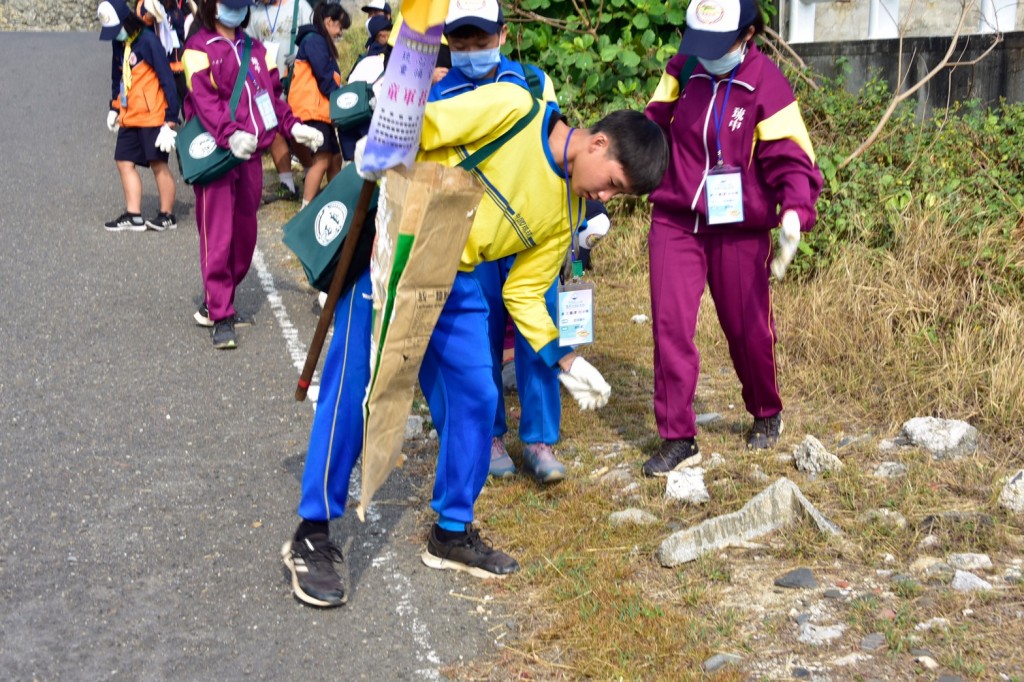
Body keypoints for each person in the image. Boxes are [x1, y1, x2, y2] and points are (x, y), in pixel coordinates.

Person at [280, 83, 669, 607]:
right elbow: (428, 125)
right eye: (612, 184)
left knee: (478, 399)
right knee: (355, 389)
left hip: (455, 277)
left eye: (617, 196)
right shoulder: (514, 110)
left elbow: (526, 291)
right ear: (597, 144)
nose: (605, 198)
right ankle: (313, 533)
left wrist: (563, 358)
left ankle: (451, 530)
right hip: (397, 244)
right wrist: (383, 148)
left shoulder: (566, 212)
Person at [640, 0, 822, 476]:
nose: (707, 55)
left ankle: (765, 410)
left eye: (718, 46)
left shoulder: (768, 84)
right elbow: (651, 126)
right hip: (677, 215)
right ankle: (678, 436)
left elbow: (791, 158)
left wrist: (795, 211)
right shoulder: (683, 67)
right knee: (669, 324)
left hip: (738, 226)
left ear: (748, 35)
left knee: (747, 327)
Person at [427, 0, 569, 483]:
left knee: (535, 325)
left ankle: (540, 438)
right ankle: (488, 434)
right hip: (474, 238)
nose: (471, 52)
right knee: (480, 336)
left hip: (530, 234)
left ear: (503, 36)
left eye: (481, 42)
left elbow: (561, 148)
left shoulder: (532, 83)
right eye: (460, 43)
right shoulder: (440, 93)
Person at [182, 0, 324, 348]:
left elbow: (272, 97)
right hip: (218, 153)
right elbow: (205, 100)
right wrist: (230, 133)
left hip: (251, 156)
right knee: (217, 235)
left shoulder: (258, 50)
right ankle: (221, 313)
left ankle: (217, 298)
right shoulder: (197, 49)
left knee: (244, 236)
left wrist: (294, 127)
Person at [99, 0, 180, 233]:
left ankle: (167, 215)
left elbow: (167, 79)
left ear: (127, 20)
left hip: (152, 116)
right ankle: (133, 215)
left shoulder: (148, 41)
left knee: (158, 164)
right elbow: (118, 78)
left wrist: (170, 117)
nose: (116, 36)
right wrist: (114, 107)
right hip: (129, 115)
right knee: (123, 161)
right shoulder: (120, 43)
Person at [244, 0, 314, 202]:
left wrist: (302, 53)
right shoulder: (254, 11)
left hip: (294, 78)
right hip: (265, 82)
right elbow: (248, 42)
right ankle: (287, 184)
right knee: (272, 130)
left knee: (294, 129)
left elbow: (313, 33)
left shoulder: (298, 6)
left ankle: (312, 173)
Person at [287, 2, 350, 207]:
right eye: (340, 26)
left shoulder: (319, 41)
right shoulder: (315, 41)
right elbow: (325, 78)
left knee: (335, 158)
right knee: (322, 159)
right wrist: (343, 100)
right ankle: (306, 210)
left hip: (321, 111)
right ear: (329, 21)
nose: (340, 32)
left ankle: (335, 204)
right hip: (312, 110)